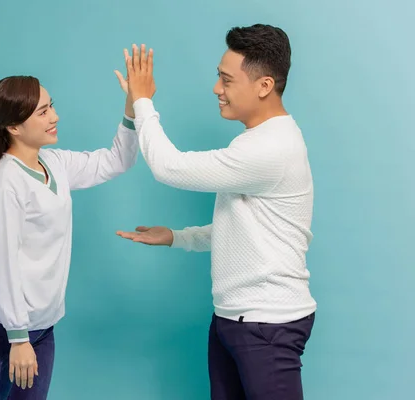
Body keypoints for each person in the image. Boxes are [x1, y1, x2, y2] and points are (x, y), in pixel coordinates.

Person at [116, 24, 317, 400]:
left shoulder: (271, 148)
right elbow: (247, 231)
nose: (216, 89)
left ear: (264, 85)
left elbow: (169, 167)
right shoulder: (257, 141)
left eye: (226, 80)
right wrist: (177, 237)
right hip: (234, 319)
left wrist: (142, 102)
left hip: (266, 324)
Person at [0, 75, 138, 400]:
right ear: (13, 126)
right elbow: (4, 262)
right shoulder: (4, 182)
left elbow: (116, 161)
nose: (54, 117)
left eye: (51, 106)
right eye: (42, 112)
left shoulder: (54, 163)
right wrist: (18, 337)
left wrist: (132, 107)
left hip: (41, 329)